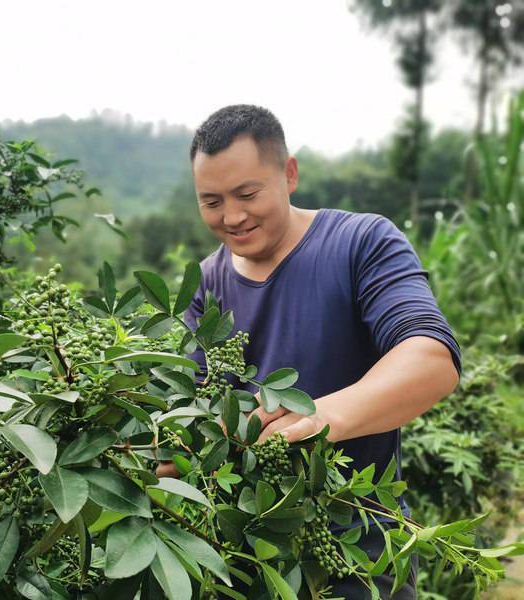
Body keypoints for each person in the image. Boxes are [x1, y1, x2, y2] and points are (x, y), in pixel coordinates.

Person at [156, 105, 461, 599]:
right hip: (243, 564)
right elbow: (185, 415)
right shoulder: (207, 283)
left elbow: (430, 360)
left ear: (289, 174)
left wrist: (318, 417)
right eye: (211, 201)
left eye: (247, 194)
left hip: (356, 560)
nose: (232, 217)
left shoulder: (361, 243)